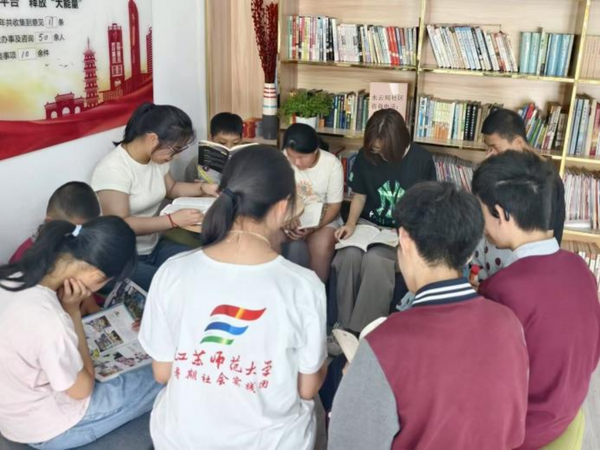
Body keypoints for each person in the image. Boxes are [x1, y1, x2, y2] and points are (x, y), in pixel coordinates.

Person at [139, 146, 328, 450]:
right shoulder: (304, 286)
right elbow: (306, 389)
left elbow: (162, 374)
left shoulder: (172, 272)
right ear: (283, 208)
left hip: (181, 440)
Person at [328, 182, 529, 449]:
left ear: (404, 240)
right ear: (469, 255)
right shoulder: (510, 324)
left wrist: (355, 389)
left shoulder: (383, 345)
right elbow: (512, 429)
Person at [0, 217, 163, 449]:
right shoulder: (50, 320)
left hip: (11, 408)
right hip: (44, 428)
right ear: (97, 276)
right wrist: (73, 311)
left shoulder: (11, 276)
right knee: (161, 375)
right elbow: (82, 390)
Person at [474, 151, 600, 449]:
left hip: (519, 432)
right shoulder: (581, 269)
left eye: (481, 213)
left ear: (502, 214)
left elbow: (484, 377)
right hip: (564, 416)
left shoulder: (502, 291)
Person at [92, 103, 218, 291]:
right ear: (152, 139)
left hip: (153, 246)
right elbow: (121, 225)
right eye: (175, 149)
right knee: (174, 286)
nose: (176, 157)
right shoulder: (113, 169)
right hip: (121, 258)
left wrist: (203, 188)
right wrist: (172, 221)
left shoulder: (155, 159)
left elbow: (172, 188)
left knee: (204, 265)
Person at [331, 108, 436, 333]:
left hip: (402, 232)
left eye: (384, 150)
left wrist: (409, 234)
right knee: (348, 255)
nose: (379, 154)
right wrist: (350, 224)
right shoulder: (366, 156)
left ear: (399, 142)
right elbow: (359, 195)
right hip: (368, 227)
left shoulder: (422, 160)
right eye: (375, 149)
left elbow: (427, 206)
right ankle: (343, 329)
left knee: (376, 260)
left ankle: (365, 332)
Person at [472, 108, 566, 281]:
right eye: (487, 148)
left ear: (518, 144)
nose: (489, 154)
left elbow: (543, 242)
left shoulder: (543, 181)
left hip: (524, 274)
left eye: (495, 148)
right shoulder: (515, 170)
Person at [10, 181, 102, 315]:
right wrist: (72, 310)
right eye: (73, 232)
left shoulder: (80, 246)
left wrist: (91, 306)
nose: (79, 241)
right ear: (49, 222)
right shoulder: (26, 258)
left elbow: (90, 302)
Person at [281, 123, 344, 282]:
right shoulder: (282, 159)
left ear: (315, 150)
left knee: (322, 245)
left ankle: (316, 291)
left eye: (302, 157)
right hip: (291, 215)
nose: (296, 162)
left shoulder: (332, 164)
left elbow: (334, 206)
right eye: (291, 156)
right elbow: (277, 195)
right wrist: (287, 218)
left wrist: (314, 227)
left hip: (324, 218)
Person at [184, 112, 244, 183]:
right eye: (222, 142)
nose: (229, 148)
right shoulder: (196, 162)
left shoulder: (249, 161)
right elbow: (188, 186)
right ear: (210, 138)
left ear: (241, 139)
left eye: (235, 143)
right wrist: (198, 187)